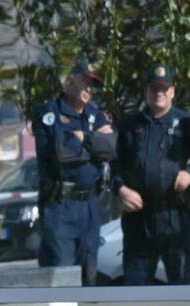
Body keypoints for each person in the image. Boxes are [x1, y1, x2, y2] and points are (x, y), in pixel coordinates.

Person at [113, 64, 190, 285]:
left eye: (163, 89)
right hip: (139, 219)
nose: (159, 93)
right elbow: (115, 166)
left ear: (172, 92)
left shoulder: (188, 124)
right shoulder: (130, 126)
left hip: (175, 215)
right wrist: (121, 189)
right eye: (154, 89)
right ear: (146, 92)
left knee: (183, 288)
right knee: (135, 288)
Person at [33, 60, 117, 286]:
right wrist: (94, 144)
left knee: (89, 273)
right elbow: (62, 152)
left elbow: (110, 148)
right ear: (69, 82)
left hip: (89, 206)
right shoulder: (49, 114)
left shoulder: (94, 115)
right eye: (85, 83)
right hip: (61, 207)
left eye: (93, 85)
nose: (89, 90)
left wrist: (83, 138)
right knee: (61, 276)